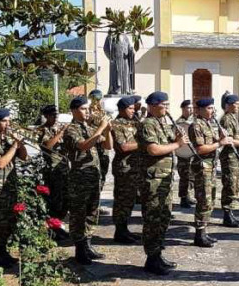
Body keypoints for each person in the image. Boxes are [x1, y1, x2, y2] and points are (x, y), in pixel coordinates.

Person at [139, 91, 188, 275]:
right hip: (153, 180)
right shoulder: (147, 124)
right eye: (163, 104)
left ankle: (157, 253)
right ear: (153, 105)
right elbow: (153, 149)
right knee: (152, 219)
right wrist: (177, 144)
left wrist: (177, 138)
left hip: (165, 178)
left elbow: (171, 143)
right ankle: (151, 259)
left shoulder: (162, 123)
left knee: (164, 217)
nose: (167, 108)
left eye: (168, 104)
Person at [63, 97, 112, 265]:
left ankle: (88, 244)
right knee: (78, 214)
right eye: (84, 109)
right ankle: (79, 249)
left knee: (92, 211)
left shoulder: (90, 127)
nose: (88, 112)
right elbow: (83, 146)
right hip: (79, 178)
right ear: (75, 110)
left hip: (93, 176)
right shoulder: (71, 129)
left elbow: (107, 147)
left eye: (88, 109)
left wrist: (107, 131)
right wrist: (100, 129)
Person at [0, 108, 28, 267]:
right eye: (4, 121)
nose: (8, 123)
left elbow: (24, 157)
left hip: (10, 186)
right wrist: (14, 147)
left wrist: (20, 144)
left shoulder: (8, 138)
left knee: (10, 221)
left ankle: (3, 252)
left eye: (9, 120)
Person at [188, 98, 233, 247]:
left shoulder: (209, 124)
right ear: (199, 110)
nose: (212, 111)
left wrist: (221, 137)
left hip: (211, 166)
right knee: (203, 200)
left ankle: (204, 231)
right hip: (202, 168)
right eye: (209, 108)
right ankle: (199, 234)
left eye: (213, 108)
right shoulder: (196, 125)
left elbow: (213, 145)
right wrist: (220, 142)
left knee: (211, 200)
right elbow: (200, 149)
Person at [110, 96, 141, 244]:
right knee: (122, 200)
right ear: (122, 109)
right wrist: (144, 143)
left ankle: (125, 230)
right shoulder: (117, 124)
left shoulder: (134, 122)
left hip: (135, 168)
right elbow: (123, 147)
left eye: (134, 108)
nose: (133, 110)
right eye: (130, 108)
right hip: (124, 168)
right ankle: (120, 231)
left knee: (130, 201)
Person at [36, 105, 70, 241]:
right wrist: (60, 133)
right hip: (51, 172)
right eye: (52, 115)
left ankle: (58, 225)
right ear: (46, 116)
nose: (55, 118)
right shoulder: (42, 130)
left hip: (63, 169)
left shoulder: (57, 127)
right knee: (54, 202)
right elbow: (47, 146)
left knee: (65, 200)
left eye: (56, 115)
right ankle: (53, 229)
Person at [219, 95, 239, 228]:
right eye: (236, 104)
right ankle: (227, 215)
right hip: (229, 156)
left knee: (235, 185)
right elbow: (230, 140)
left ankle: (230, 213)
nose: (238, 106)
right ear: (229, 104)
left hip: (235, 156)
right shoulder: (226, 119)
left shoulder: (233, 118)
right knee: (230, 185)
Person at [176, 100, 196, 208]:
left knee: (192, 176)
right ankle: (183, 198)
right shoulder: (179, 123)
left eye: (192, 107)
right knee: (184, 176)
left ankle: (188, 195)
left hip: (193, 153)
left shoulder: (195, 120)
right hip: (183, 154)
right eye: (188, 108)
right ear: (183, 109)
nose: (191, 110)